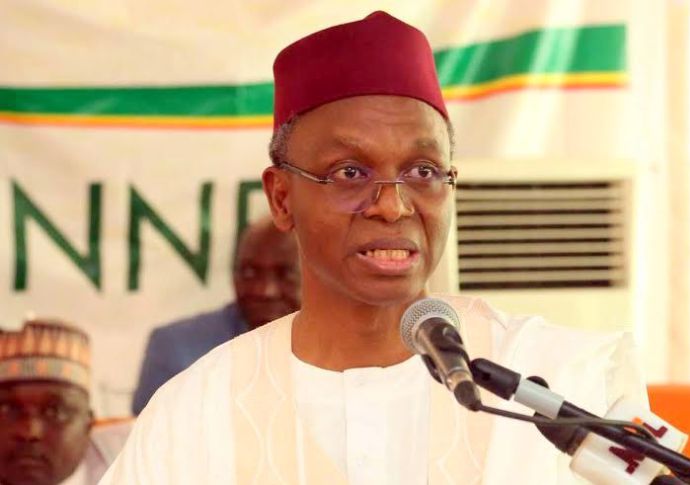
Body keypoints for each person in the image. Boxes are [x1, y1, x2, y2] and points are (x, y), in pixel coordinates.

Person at [101, 11, 647, 484]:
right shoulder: (195, 412)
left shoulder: (563, 381)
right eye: (350, 172)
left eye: (423, 171)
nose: (392, 205)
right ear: (282, 198)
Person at [131, 217, 300, 414]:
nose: (265, 291)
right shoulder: (177, 349)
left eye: (285, 274)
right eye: (250, 273)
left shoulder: (332, 350)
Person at [0, 320, 128, 485]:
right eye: (6, 409)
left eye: (55, 412)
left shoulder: (134, 467)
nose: (30, 432)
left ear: (88, 425)